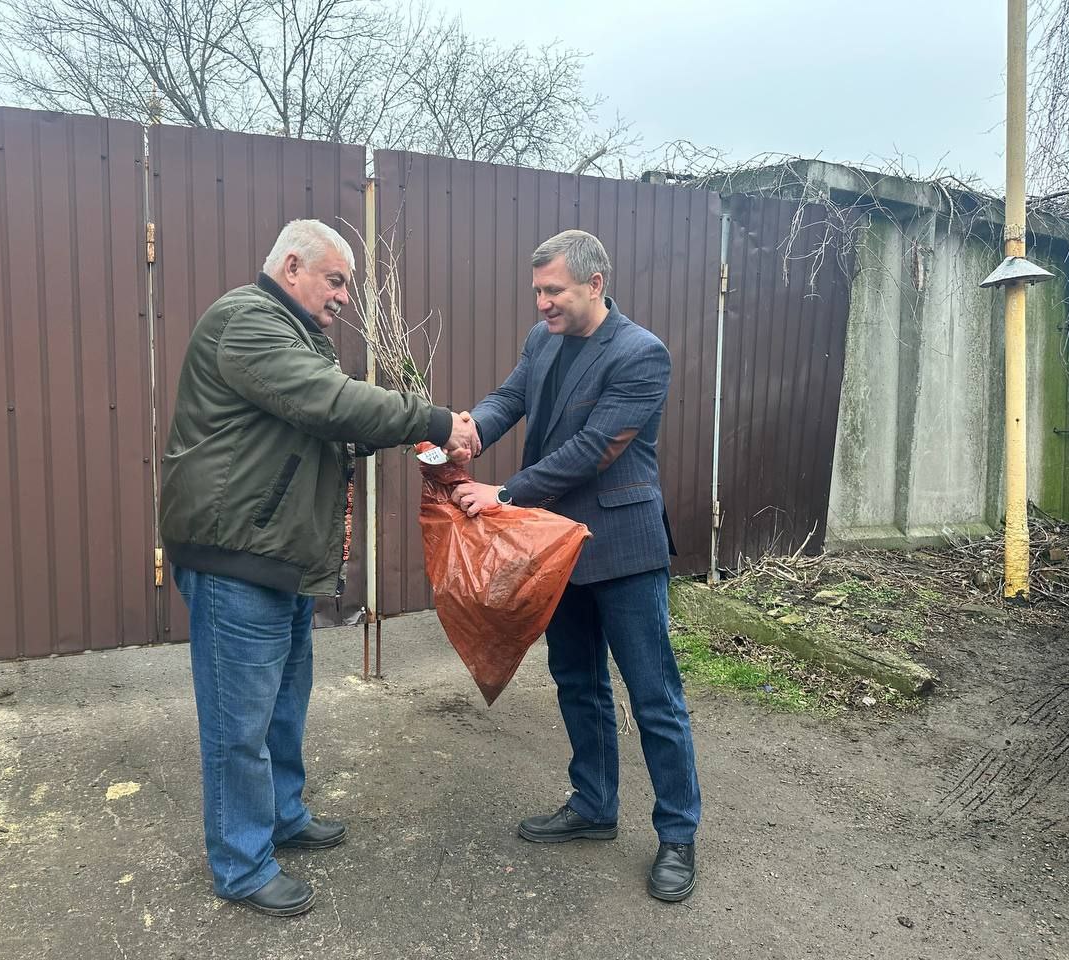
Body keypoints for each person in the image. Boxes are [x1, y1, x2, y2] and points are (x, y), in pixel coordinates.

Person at [159, 219, 479, 917]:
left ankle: (281, 816)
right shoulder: (247, 322)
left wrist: (394, 442)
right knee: (239, 723)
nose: (343, 297)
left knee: (282, 705)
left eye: (347, 285)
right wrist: (432, 422)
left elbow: (322, 425)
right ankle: (241, 864)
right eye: (336, 280)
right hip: (236, 559)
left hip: (279, 557)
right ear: (293, 267)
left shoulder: (299, 336)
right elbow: (327, 402)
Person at [452, 229, 701, 902]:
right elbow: (510, 398)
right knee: (577, 682)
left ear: (595, 284)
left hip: (622, 550)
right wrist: (470, 429)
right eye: (537, 291)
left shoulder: (641, 353)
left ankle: (678, 833)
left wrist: (504, 494)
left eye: (553, 290)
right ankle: (594, 805)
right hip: (556, 547)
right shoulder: (543, 340)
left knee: (654, 697)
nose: (542, 303)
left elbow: (594, 449)